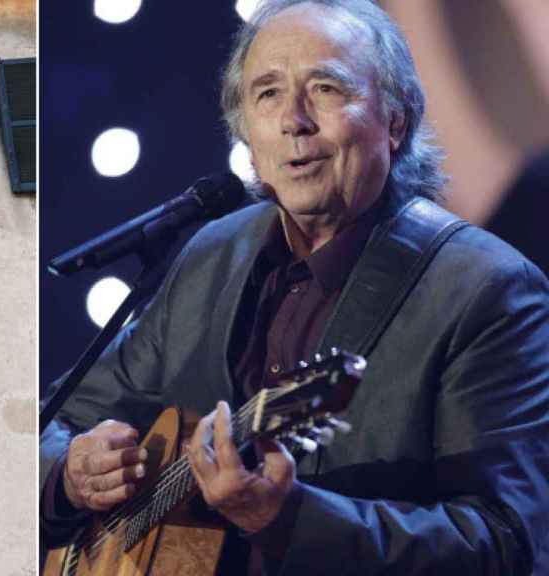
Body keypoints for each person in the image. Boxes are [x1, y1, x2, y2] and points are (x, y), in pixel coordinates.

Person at [40, 0, 549, 574]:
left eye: (327, 88)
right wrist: (69, 475)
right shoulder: (211, 254)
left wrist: (288, 517)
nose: (294, 120)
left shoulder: (486, 290)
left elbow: (508, 545)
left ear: (396, 120)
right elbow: (57, 418)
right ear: (248, 140)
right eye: (267, 94)